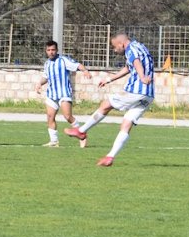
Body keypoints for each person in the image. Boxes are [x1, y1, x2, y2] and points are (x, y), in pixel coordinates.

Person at [65, 32, 155, 166]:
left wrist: (142, 77)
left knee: (106, 104)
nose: (114, 50)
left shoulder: (131, 50)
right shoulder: (140, 46)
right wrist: (109, 79)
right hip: (148, 95)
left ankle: (81, 131)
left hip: (136, 90)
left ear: (121, 44)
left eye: (114, 47)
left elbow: (136, 62)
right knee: (126, 125)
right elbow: (128, 67)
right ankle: (110, 157)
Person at [37, 40, 92, 148]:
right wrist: (39, 83)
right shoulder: (47, 63)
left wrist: (85, 70)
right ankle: (54, 141)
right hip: (52, 94)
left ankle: (82, 135)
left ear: (57, 50)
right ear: (46, 51)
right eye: (48, 50)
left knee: (67, 116)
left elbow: (77, 65)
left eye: (53, 50)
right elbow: (46, 77)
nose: (51, 52)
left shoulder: (63, 60)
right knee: (50, 116)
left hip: (64, 94)